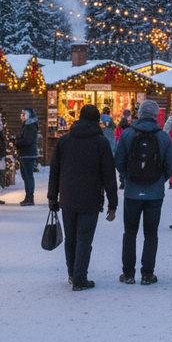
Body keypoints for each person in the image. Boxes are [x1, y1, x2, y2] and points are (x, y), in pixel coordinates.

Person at [48, 104, 118, 291]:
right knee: (84, 239)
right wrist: (113, 204)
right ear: (97, 121)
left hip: (67, 197)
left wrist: (52, 197)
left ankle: (72, 274)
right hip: (91, 197)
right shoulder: (100, 142)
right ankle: (80, 278)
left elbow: (54, 171)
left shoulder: (64, 141)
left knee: (71, 239)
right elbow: (109, 175)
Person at [113, 99, 172, 285]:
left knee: (129, 233)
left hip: (132, 192)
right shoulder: (163, 137)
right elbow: (171, 164)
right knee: (151, 234)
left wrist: (129, 177)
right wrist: (159, 179)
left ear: (139, 113)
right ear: (156, 115)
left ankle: (128, 273)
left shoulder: (127, 134)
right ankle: (147, 274)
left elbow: (118, 160)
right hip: (155, 194)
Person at [16, 108, 40, 206]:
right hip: (25, 154)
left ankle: (30, 197)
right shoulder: (26, 126)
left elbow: (27, 140)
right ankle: (28, 196)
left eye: (24, 113)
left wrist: (17, 142)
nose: (22, 115)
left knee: (28, 175)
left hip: (28, 154)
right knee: (25, 175)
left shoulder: (30, 127)